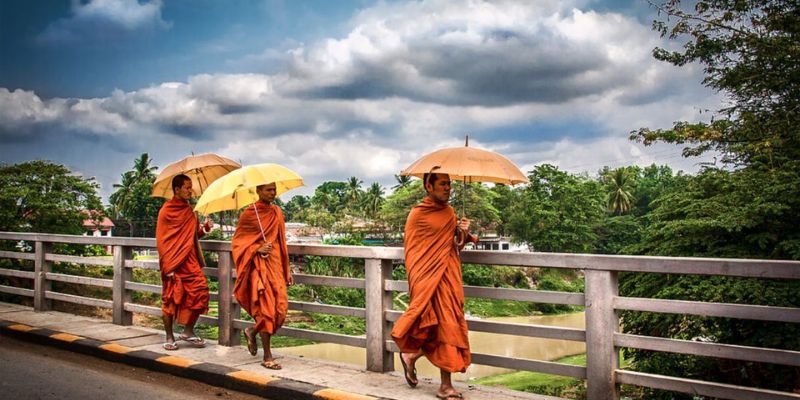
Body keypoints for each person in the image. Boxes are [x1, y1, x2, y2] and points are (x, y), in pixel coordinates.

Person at [391, 172, 478, 399]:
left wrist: (464, 232)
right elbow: (415, 250)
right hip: (426, 278)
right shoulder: (417, 215)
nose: (448, 188)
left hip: (448, 278)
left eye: (449, 184)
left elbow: (454, 244)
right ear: (428, 186)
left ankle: (411, 357)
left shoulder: (449, 212)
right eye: (442, 184)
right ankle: (445, 386)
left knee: (447, 326)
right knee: (437, 327)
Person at [232, 182, 293, 370]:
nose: (272, 193)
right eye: (268, 190)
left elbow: (282, 242)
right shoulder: (250, 214)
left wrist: (287, 268)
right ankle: (267, 356)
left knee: (280, 310)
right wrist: (257, 248)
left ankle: (251, 330)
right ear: (258, 191)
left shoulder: (276, 212)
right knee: (266, 309)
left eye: (274, 190)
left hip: (275, 265)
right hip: (259, 267)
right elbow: (238, 243)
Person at [156, 174, 213, 350]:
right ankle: (169, 336)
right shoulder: (167, 210)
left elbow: (191, 236)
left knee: (201, 292)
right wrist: (168, 266)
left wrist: (204, 229)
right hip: (172, 262)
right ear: (177, 189)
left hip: (190, 261)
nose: (190, 191)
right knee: (171, 299)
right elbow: (163, 240)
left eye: (191, 187)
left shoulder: (190, 211)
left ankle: (188, 331)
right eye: (187, 187)